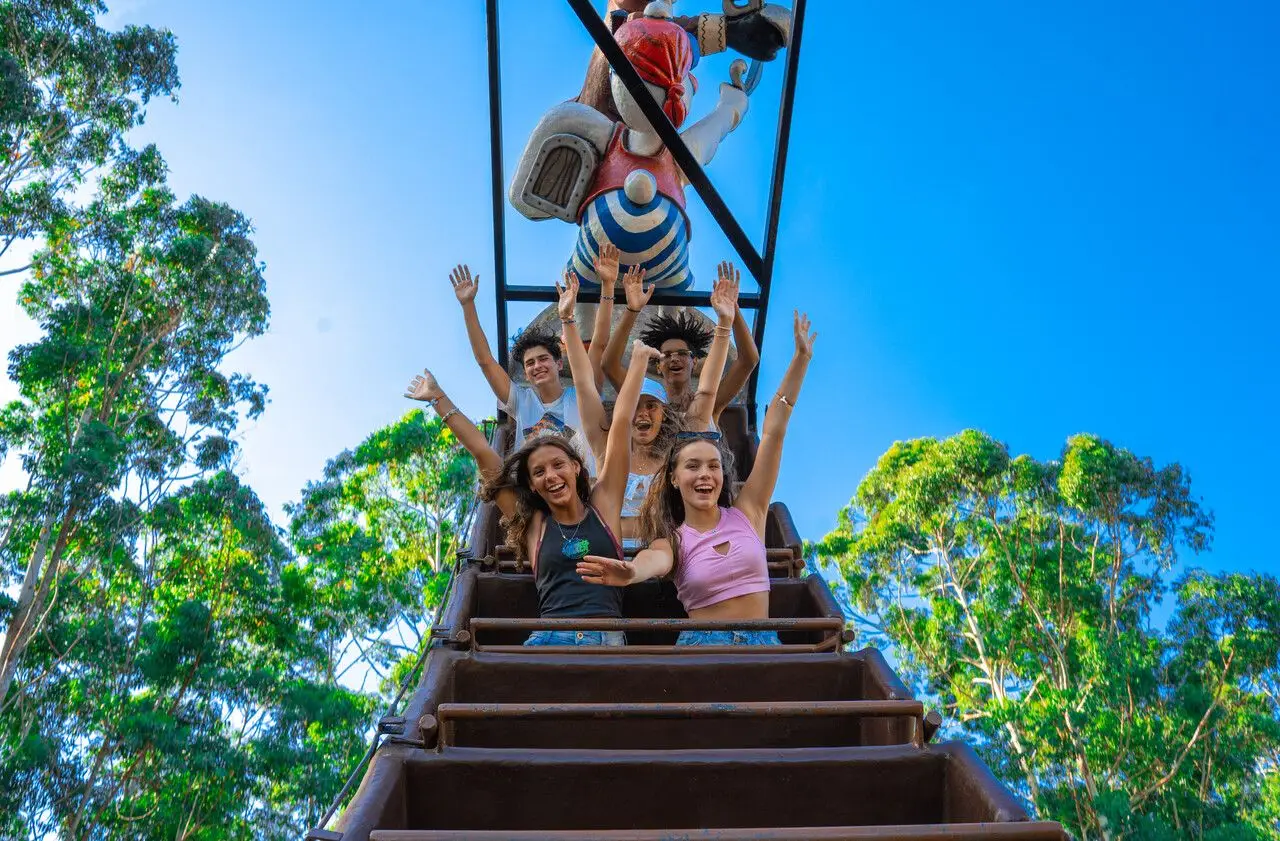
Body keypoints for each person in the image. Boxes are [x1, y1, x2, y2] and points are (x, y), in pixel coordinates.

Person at [577, 310, 817, 646]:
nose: (704, 474)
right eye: (692, 467)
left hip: (763, 645)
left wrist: (801, 359)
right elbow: (653, 559)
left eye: (712, 466)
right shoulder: (674, 538)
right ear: (672, 477)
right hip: (704, 646)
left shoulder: (749, 512)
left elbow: (775, 428)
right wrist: (632, 572)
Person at [404, 339, 661, 647]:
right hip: (550, 638)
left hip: (604, 637)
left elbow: (619, 425)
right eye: (539, 472)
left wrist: (639, 362)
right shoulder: (534, 523)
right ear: (531, 484)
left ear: (577, 468)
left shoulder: (604, 506)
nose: (551, 476)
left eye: (558, 465)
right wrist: (438, 399)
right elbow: (482, 452)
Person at [559, 262, 740, 548]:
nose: (642, 413)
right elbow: (583, 383)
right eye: (636, 406)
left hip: (666, 560)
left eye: (652, 406)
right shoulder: (605, 447)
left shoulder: (677, 449)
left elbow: (705, 392)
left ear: (664, 414)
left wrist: (724, 324)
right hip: (609, 555)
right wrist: (567, 319)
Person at [448, 252, 619, 470]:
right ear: (526, 373)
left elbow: (599, 345)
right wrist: (467, 305)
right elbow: (485, 361)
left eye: (543, 359)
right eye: (530, 364)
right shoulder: (521, 400)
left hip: (580, 491)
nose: (537, 366)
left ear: (558, 363)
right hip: (536, 493)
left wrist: (608, 285)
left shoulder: (581, 396)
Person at [600, 261, 758, 427]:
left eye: (683, 353)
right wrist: (633, 309)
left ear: (694, 362)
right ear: (659, 366)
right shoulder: (645, 403)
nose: (674, 358)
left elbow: (748, 360)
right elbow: (609, 365)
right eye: (666, 355)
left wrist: (733, 309)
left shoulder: (709, 404)